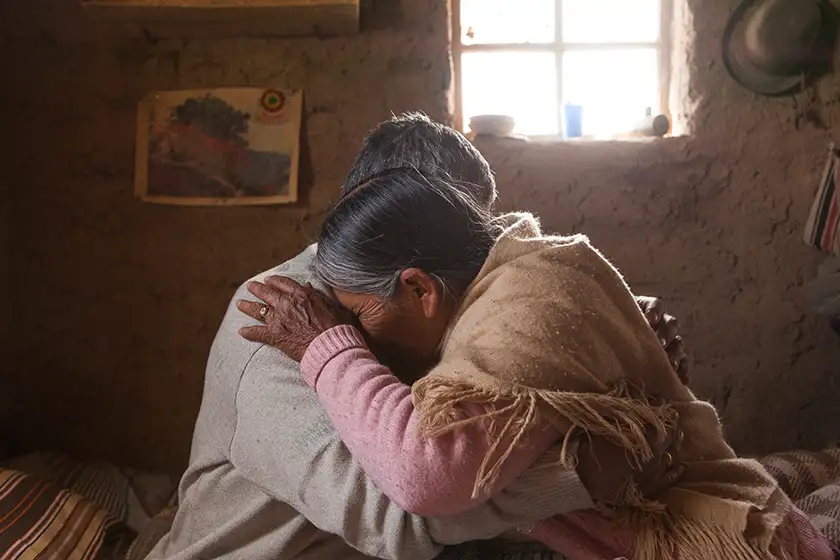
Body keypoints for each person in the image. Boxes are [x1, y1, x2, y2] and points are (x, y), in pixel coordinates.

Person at [147, 113, 689, 560]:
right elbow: (393, 517)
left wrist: (616, 343)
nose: (473, 256)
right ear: (373, 208)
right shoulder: (277, 324)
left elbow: (504, 365)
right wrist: (580, 472)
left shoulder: (433, 284)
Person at [237, 166, 833, 560]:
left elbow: (426, 476)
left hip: (732, 545)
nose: (365, 338)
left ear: (420, 290)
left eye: (362, 315)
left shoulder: (522, 308)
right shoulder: (520, 278)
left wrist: (328, 346)